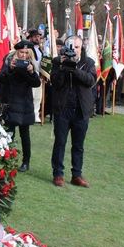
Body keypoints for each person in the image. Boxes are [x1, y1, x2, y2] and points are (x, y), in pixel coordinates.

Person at [50, 35, 96, 187]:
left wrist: (75, 70)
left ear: (81, 48)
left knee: (78, 145)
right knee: (60, 142)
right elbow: (55, 83)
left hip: (81, 109)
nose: (73, 50)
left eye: (76, 47)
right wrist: (63, 69)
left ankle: (77, 174)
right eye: (71, 47)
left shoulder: (88, 62)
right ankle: (58, 174)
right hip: (62, 108)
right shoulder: (57, 61)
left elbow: (91, 81)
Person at [0, 40, 41, 172]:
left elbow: (36, 83)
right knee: (8, 133)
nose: (23, 55)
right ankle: (7, 159)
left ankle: (26, 162)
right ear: (17, 51)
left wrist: (31, 72)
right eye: (21, 52)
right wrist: (10, 69)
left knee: (25, 135)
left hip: (25, 104)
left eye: (26, 53)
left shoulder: (31, 63)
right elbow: (0, 79)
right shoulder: (8, 60)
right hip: (10, 102)